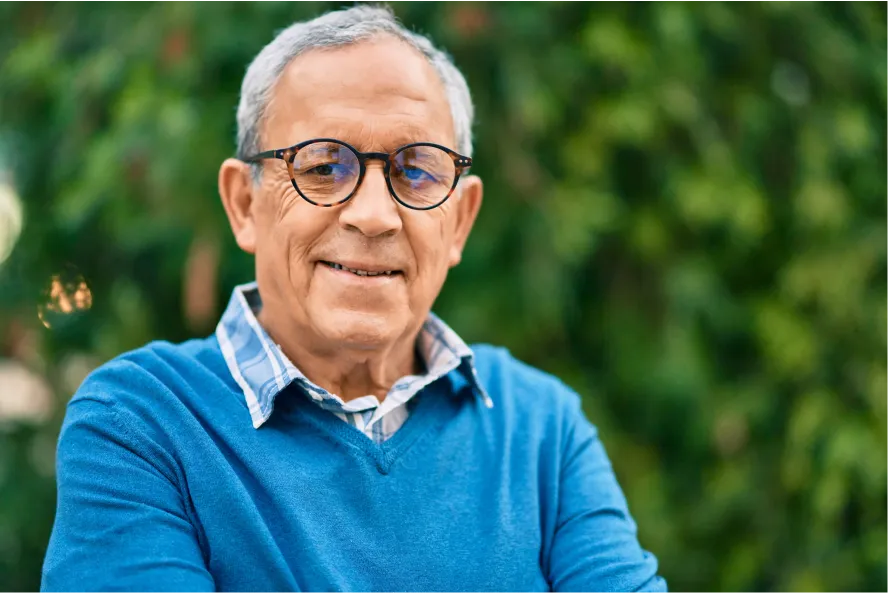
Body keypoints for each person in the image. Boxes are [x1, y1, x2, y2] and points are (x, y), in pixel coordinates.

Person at [41, 5, 666, 592]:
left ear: (459, 222)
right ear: (244, 204)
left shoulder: (541, 428)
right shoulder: (143, 422)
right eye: (322, 167)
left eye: (415, 171)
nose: (373, 215)